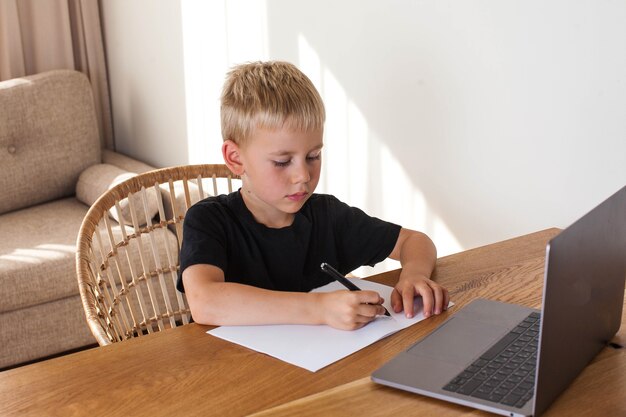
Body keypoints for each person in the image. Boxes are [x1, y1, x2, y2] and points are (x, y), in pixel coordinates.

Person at [177, 61, 448, 330]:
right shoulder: (209, 220)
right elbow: (205, 302)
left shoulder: (329, 217)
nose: (303, 176)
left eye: (313, 156)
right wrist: (320, 308)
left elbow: (414, 241)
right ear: (235, 159)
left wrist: (414, 275)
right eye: (283, 161)